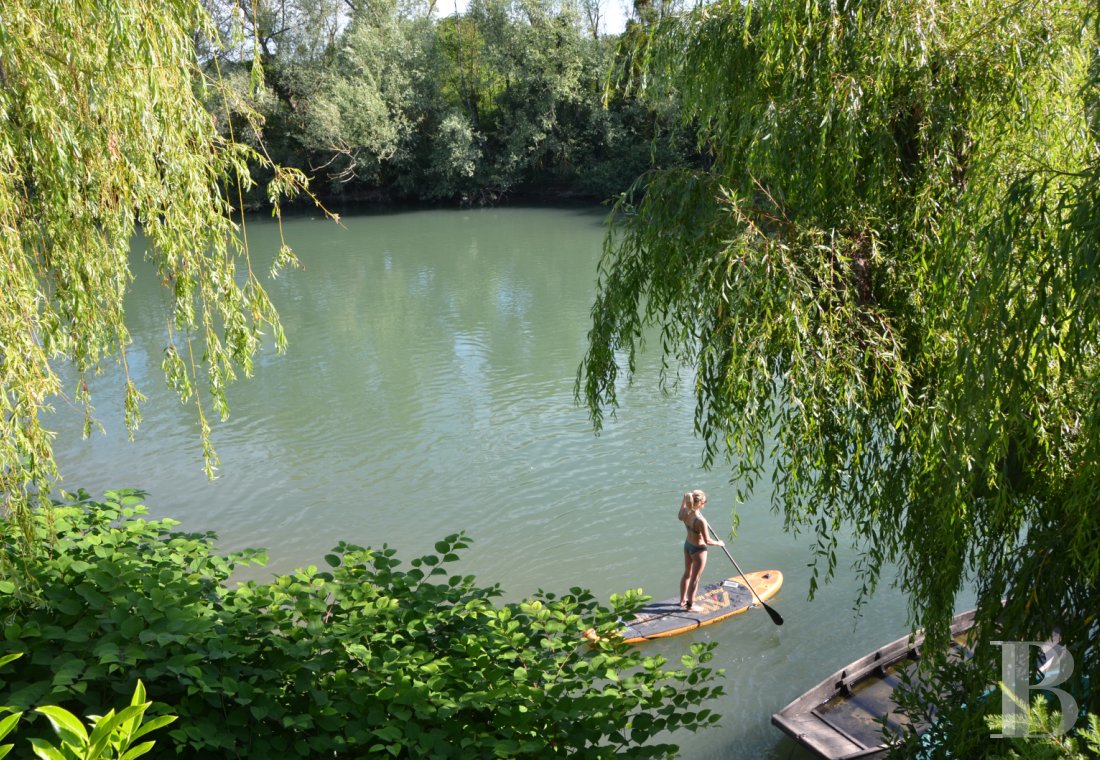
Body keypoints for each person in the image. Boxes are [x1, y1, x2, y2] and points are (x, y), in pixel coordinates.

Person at [678, 489, 724, 612]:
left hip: (687, 545)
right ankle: (691, 606)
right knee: (695, 578)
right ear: (700, 503)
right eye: (705, 501)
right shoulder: (700, 521)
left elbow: (679, 516)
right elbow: (707, 540)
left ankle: (682, 600)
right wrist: (719, 543)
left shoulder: (685, 512)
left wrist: (684, 500)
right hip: (698, 550)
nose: (705, 503)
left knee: (687, 574)